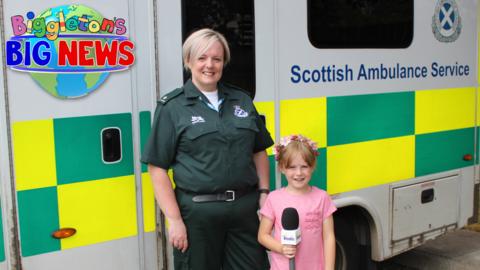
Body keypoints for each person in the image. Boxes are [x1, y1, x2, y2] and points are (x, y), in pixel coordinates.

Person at [141, 28, 273, 270]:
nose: (209, 65)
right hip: (197, 216)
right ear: (188, 61)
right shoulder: (172, 107)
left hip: (245, 211)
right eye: (202, 58)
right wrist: (174, 220)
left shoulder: (241, 100)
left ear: (224, 62)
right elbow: (157, 168)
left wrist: (264, 194)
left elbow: (259, 151)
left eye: (217, 59)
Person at [258, 135, 336, 270]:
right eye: (292, 167)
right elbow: (262, 235)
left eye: (304, 166)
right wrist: (281, 248)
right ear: (282, 168)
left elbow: (328, 237)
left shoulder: (322, 198)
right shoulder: (274, 198)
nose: (298, 173)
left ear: (312, 167)